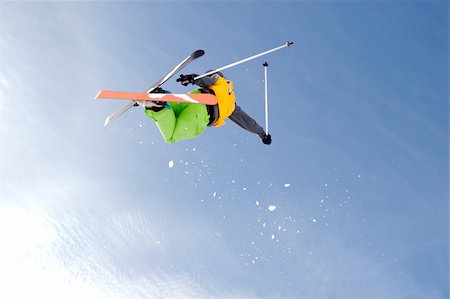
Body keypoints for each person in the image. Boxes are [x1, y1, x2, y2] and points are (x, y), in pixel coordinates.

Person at [138, 71, 271, 145]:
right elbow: (247, 121)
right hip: (204, 113)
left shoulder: (217, 80)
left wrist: (192, 79)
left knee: (175, 110)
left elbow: (206, 80)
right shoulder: (230, 101)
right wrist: (261, 133)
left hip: (193, 99)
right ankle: (158, 108)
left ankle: (161, 96)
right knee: (172, 135)